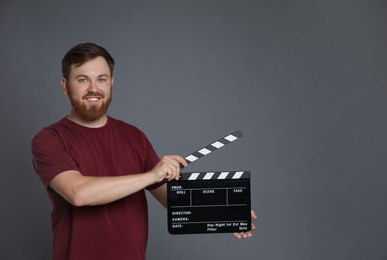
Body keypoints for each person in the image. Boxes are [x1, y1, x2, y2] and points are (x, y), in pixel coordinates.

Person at [31, 42, 257, 260]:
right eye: (83, 80)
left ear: (111, 83)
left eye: (101, 79)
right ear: (65, 85)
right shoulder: (49, 139)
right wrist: (152, 175)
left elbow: (173, 198)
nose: (94, 88)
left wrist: (228, 214)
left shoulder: (133, 136)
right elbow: (78, 193)